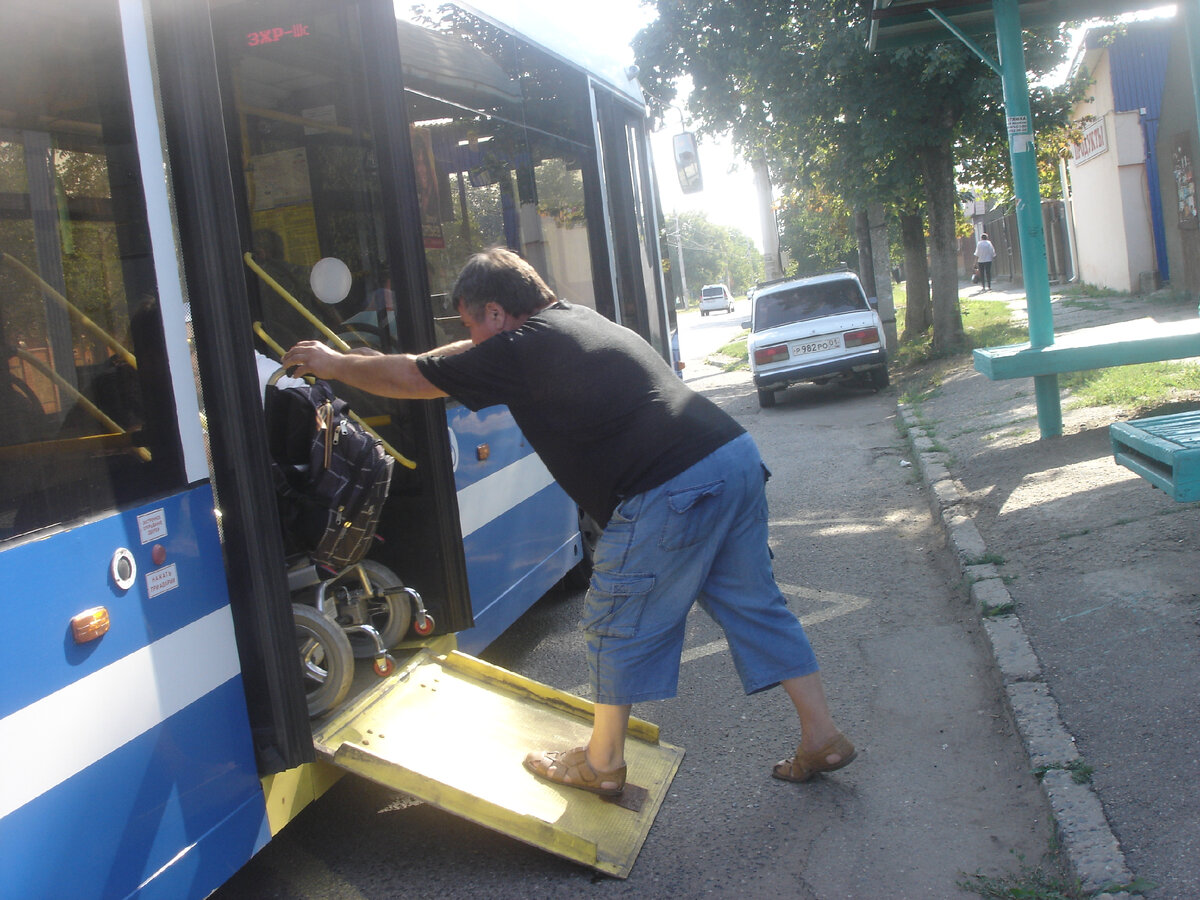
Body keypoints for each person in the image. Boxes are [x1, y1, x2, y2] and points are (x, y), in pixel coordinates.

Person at [281, 247, 855, 796]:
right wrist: (470, 343)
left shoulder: (517, 350)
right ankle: (821, 735)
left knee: (612, 614)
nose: (474, 339)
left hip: (671, 485)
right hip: (731, 457)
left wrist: (334, 364)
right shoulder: (571, 320)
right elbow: (462, 354)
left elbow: (414, 377)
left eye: (475, 325)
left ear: (499, 314)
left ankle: (601, 763)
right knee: (757, 605)